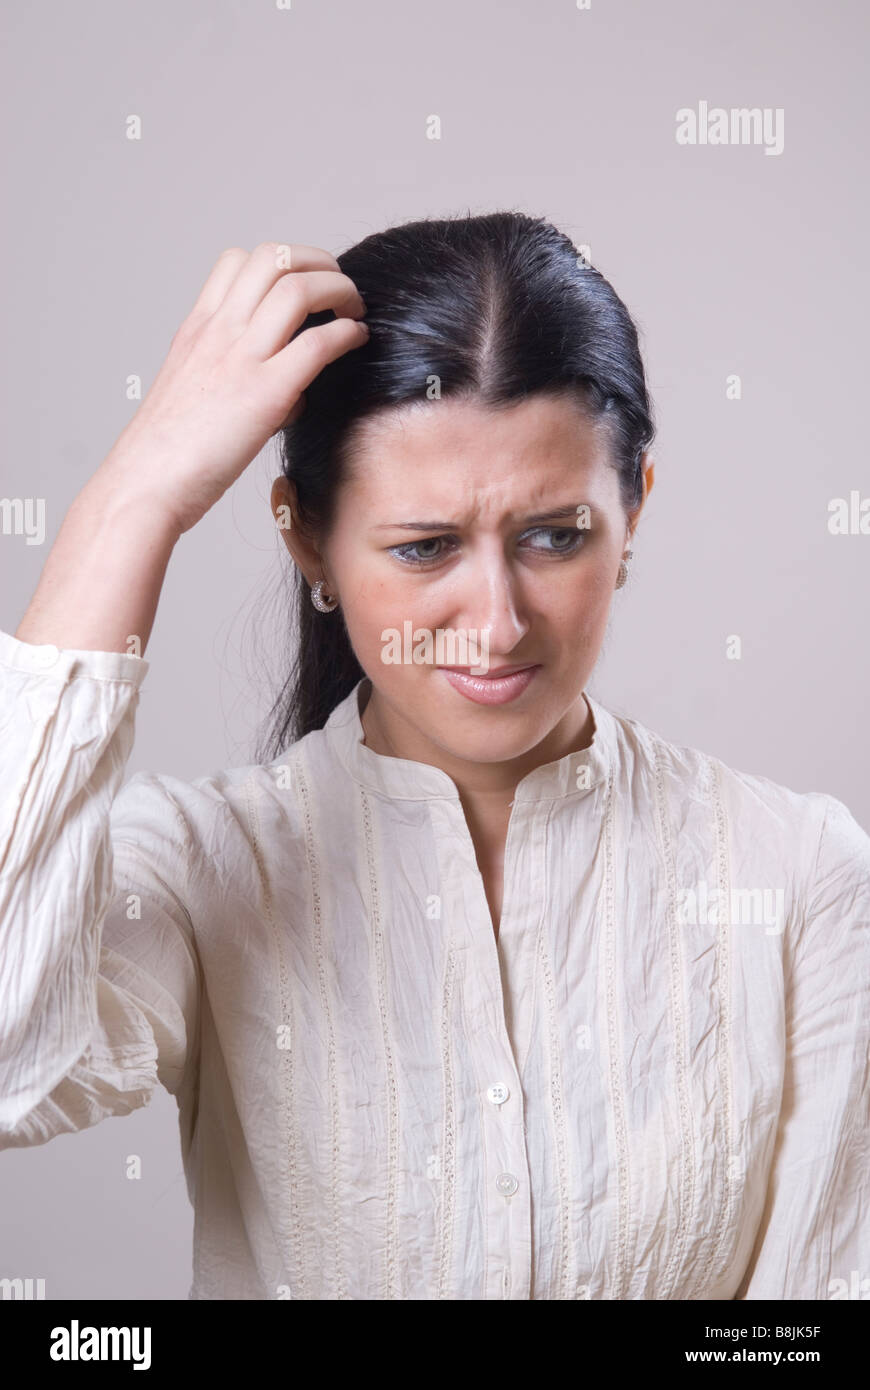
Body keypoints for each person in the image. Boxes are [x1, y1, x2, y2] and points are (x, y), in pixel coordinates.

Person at [1, 212, 867, 1301]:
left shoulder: (800, 876)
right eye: (424, 547)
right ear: (306, 537)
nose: (497, 625)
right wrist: (134, 500)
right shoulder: (205, 870)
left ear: (635, 509)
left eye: (556, 535)